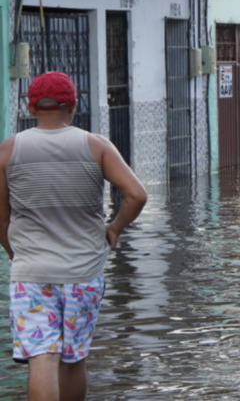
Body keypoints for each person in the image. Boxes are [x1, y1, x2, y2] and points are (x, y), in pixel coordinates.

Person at [0, 71, 147, 399]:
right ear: (74, 105)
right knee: (73, 357)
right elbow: (136, 195)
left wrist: (17, 254)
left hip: (31, 273)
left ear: (30, 106)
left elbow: (1, 218)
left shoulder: (9, 150)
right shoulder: (96, 146)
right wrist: (114, 228)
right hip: (83, 272)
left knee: (42, 356)